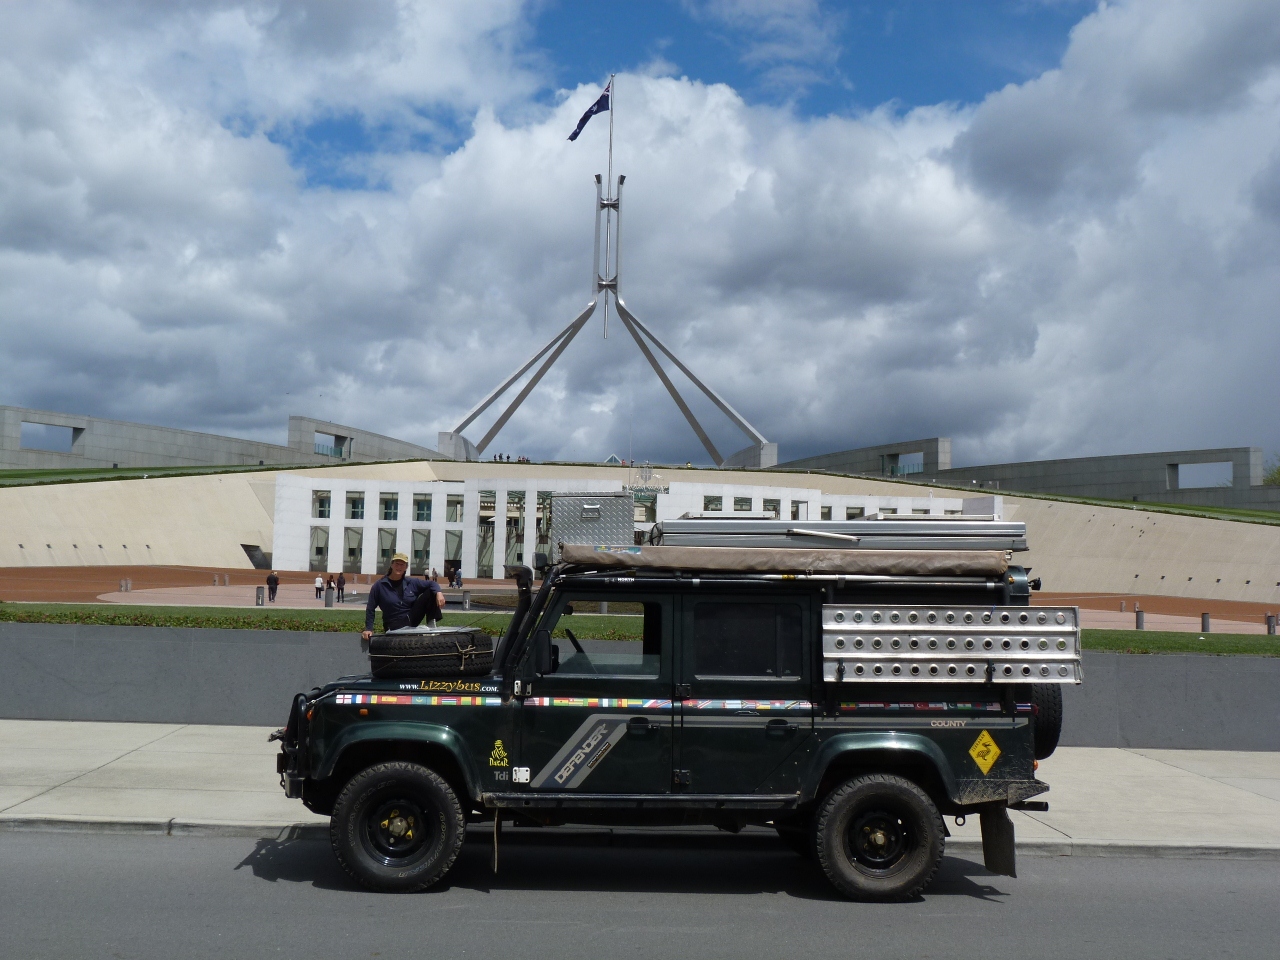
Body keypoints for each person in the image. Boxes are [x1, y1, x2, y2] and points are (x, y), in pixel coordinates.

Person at [361, 552, 446, 642]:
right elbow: (370, 608)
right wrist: (368, 629)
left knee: (431, 591)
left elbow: (432, 583)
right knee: (433, 590)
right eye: (397, 564)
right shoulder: (379, 585)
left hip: (410, 620)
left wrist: (439, 593)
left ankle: (431, 624)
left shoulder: (411, 582)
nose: (399, 567)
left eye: (402, 565)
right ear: (392, 565)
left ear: (406, 567)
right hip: (393, 625)